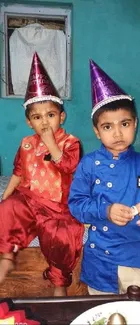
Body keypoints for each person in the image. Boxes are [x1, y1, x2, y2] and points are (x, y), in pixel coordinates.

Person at [0, 52, 84, 296]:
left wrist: (51, 143)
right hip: (30, 199)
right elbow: (18, 172)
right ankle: (7, 255)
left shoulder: (70, 142)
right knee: (7, 210)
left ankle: (59, 283)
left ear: (62, 116)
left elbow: (68, 166)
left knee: (62, 236)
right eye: (37, 117)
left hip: (58, 205)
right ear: (29, 122)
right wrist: (6, 196)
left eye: (51, 115)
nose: (45, 122)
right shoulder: (26, 143)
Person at [68, 59, 140, 295]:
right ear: (97, 131)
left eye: (124, 123)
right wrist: (105, 210)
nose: (117, 133)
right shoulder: (88, 164)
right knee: (101, 314)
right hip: (101, 258)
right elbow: (76, 205)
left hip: (136, 257)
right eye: (107, 127)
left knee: (137, 315)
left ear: (135, 124)